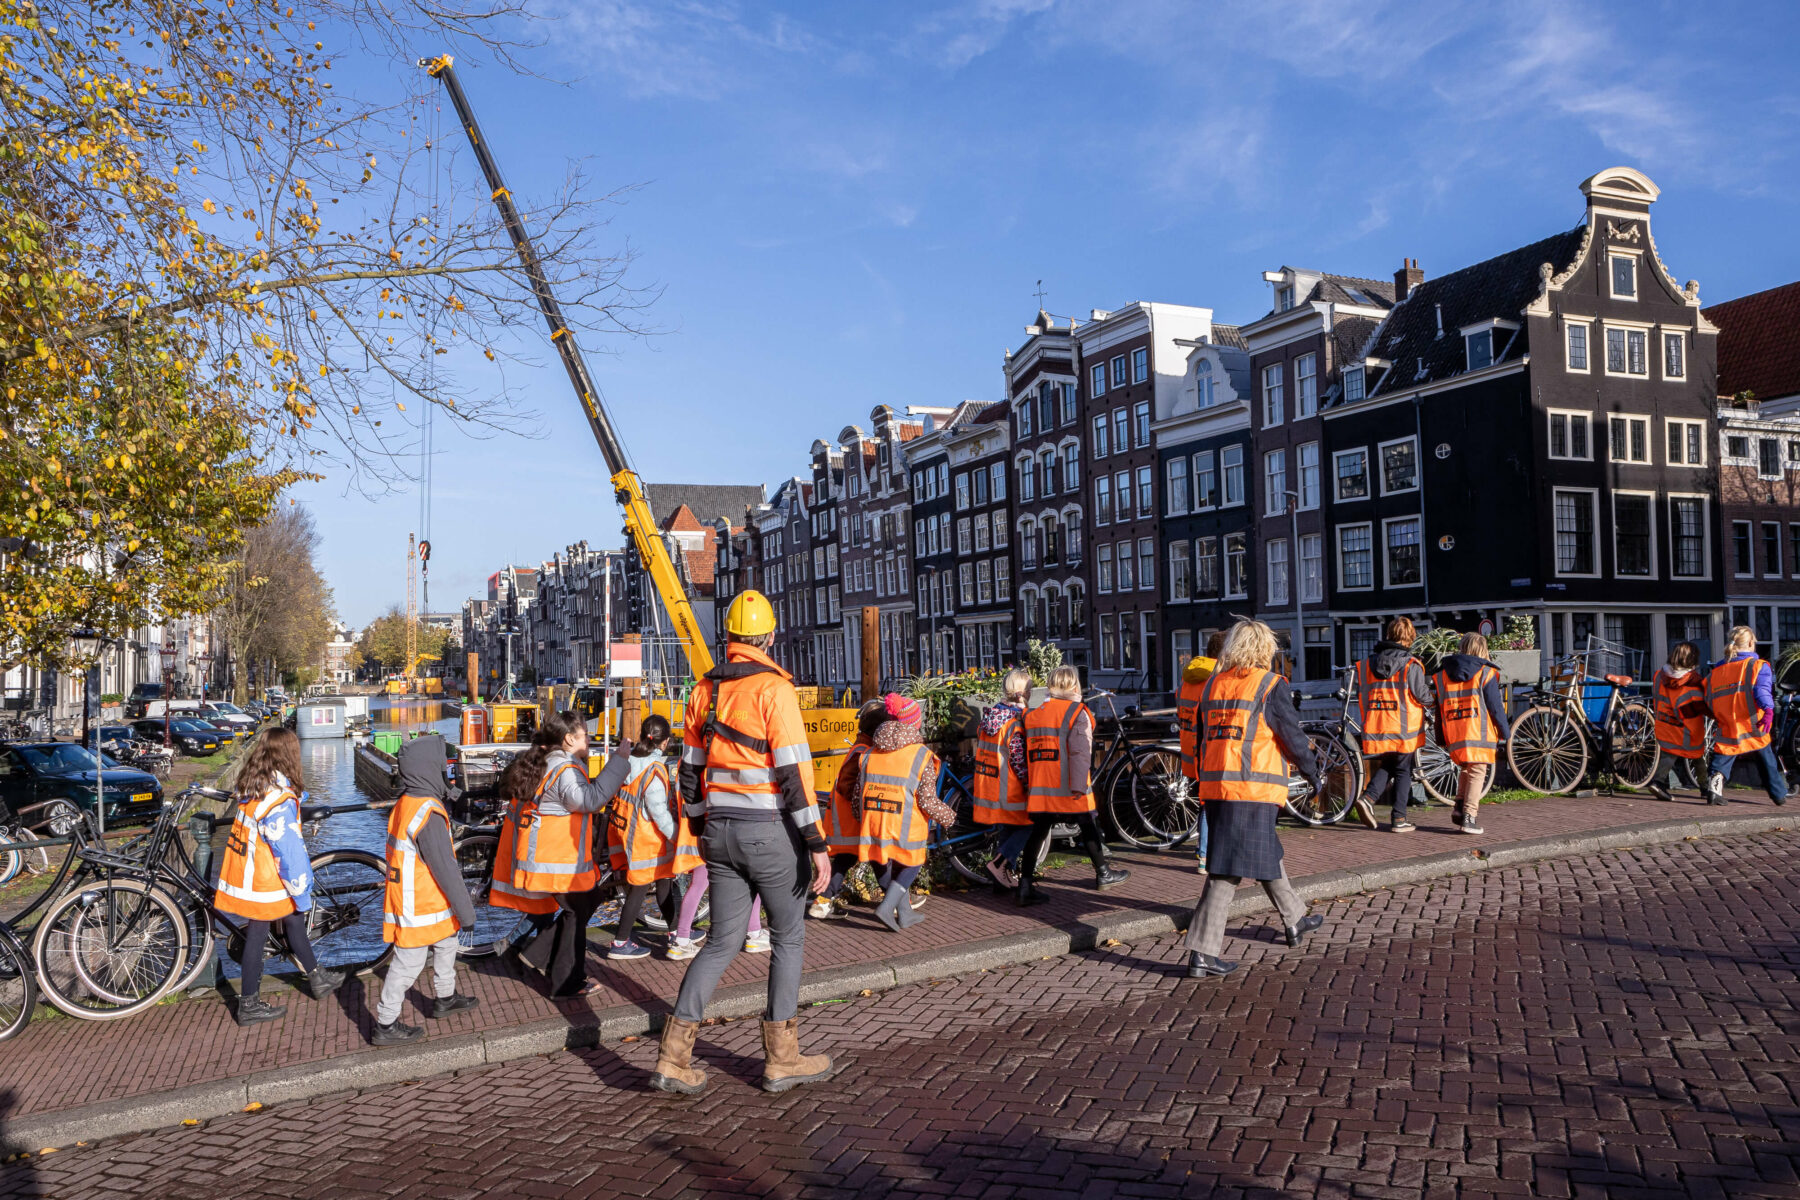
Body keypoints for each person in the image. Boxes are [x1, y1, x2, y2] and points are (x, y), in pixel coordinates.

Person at [650, 590, 834, 1096]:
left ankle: (672, 1057)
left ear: (728, 637)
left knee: (720, 942)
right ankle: (782, 1059)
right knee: (788, 937)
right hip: (769, 832)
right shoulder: (775, 690)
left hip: (719, 831)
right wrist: (817, 843)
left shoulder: (703, 691)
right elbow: (794, 775)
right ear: (769, 637)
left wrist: (697, 826)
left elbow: (688, 772)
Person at [1184, 618, 1324, 979]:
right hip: (1253, 789)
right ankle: (1202, 952)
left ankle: (1295, 919)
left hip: (1218, 787)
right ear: (1265, 649)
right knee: (1225, 872)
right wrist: (1313, 772)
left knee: (1266, 852)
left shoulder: (1213, 684)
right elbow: (1291, 736)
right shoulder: (1269, 685)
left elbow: (1201, 737)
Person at [212, 726, 343, 1026]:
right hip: (265, 879)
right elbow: (290, 854)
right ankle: (249, 1005)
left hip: (246, 871)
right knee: (258, 935)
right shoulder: (279, 802)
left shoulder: (254, 788)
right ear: (289, 754)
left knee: (291, 919)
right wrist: (301, 891)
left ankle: (317, 977)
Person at [493, 711, 625, 998]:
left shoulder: (549, 762)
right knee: (578, 909)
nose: (588, 740)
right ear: (569, 739)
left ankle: (530, 954)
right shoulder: (564, 769)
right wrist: (620, 761)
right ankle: (565, 982)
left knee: (587, 901)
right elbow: (589, 801)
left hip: (548, 856)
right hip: (556, 859)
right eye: (584, 735)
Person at [372, 734, 479, 1045]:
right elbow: (445, 868)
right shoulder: (428, 813)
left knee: (446, 941)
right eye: (443, 767)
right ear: (431, 769)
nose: (447, 772)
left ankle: (446, 996)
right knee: (409, 963)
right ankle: (385, 1023)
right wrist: (467, 912)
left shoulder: (408, 803)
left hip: (420, 895)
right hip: (419, 901)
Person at [1015, 665, 1129, 907]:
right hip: (1068, 786)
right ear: (1074, 685)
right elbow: (1080, 753)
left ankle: (1024, 886)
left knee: (1038, 833)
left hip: (1041, 788)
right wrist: (1078, 788)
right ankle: (1103, 873)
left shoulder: (1033, 714)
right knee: (1087, 826)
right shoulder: (1077, 712)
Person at [853, 694, 955, 931]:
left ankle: (905, 913)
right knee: (912, 863)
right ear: (916, 724)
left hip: (874, 821)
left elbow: (858, 793)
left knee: (881, 860)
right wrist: (949, 817)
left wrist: (861, 818)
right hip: (906, 824)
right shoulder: (920, 755)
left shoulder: (869, 753)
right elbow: (927, 800)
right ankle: (887, 907)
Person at [605, 716, 702, 960]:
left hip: (630, 834)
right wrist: (678, 837)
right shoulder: (655, 770)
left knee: (663, 884)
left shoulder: (628, 761)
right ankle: (620, 942)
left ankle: (676, 931)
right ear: (665, 742)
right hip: (649, 841)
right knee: (639, 891)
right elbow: (659, 813)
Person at [809, 700, 888, 919]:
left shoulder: (860, 748)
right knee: (876, 858)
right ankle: (896, 899)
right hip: (852, 823)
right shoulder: (863, 752)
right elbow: (847, 785)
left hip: (848, 823)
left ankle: (823, 900)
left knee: (846, 862)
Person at [1353, 616, 1430, 832]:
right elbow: (1421, 695)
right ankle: (1399, 818)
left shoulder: (1367, 664)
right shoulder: (1411, 665)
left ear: (1388, 634)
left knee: (1389, 763)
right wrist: (1433, 700)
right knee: (1404, 769)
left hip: (1378, 724)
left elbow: (1360, 690)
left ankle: (1368, 798)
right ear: (1411, 637)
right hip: (1404, 727)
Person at [1431, 632, 1513, 836]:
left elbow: (1439, 709)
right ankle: (1469, 816)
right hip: (1479, 731)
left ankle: (1459, 807)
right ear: (1482, 650)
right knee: (1477, 771)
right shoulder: (1485, 673)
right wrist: (1505, 731)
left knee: (1466, 768)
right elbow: (1495, 707)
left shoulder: (1442, 675)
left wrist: (1440, 736)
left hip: (1454, 732)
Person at [1704, 626, 1788, 807]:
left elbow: (1708, 694)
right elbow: (1762, 691)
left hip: (1727, 721)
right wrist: (1769, 710)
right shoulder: (1757, 666)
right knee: (1765, 756)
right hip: (1752, 721)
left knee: (1724, 753)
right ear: (1751, 643)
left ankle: (1714, 787)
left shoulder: (1719, 668)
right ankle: (1778, 794)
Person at [972, 669, 1034, 890]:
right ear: (1024, 693)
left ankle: (1002, 878)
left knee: (1007, 829)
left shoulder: (990, 717)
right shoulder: (1015, 722)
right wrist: (1029, 784)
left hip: (989, 786)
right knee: (1030, 825)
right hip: (1010, 789)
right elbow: (1018, 760)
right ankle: (999, 863)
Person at [1177, 631, 1227, 874]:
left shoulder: (1188, 679)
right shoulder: (1215, 679)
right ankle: (1205, 855)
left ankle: (1202, 849)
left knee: (1204, 801)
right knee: (1210, 803)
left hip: (1190, 748)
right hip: (1209, 749)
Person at [1648, 641, 1709, 803]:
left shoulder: (1659, 676)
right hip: (1687, 726)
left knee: (1669, 752)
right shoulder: (1693, 680)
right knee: (1697, 755)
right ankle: (1705, 788)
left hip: (1664, 722)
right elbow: (1697, 706)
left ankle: (1659, 783)